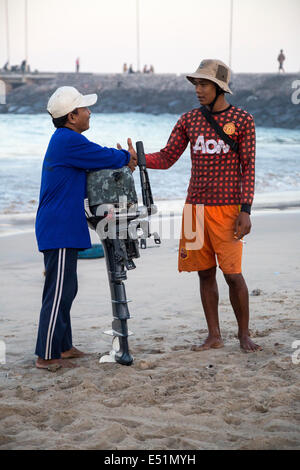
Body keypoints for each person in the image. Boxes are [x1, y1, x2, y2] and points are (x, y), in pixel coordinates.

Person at [128, 59, 262, 353]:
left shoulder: (242, 120)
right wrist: (138, 158)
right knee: (204, 272)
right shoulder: (188, 120)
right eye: (196, 84)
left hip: (227, 209)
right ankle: (214, 336)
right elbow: (166, 157)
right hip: (194, 208)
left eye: (204, 85)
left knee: (232, 274)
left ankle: (243, 335)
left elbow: (248, 167)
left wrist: (246, 210)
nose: (198, 90)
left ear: (219, 88)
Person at [35, 86, 137, 370]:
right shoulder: (68, 140)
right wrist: (126, 158)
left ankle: (63, 347)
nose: (89, 112)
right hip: (59, 227)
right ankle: (46, 354)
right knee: (58, 292)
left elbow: (95, 158)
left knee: (66, 288)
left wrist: (120, 159)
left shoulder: (66, 139)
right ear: (71, 116)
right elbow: (103, 156)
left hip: (62, 225)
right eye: (84, 109)